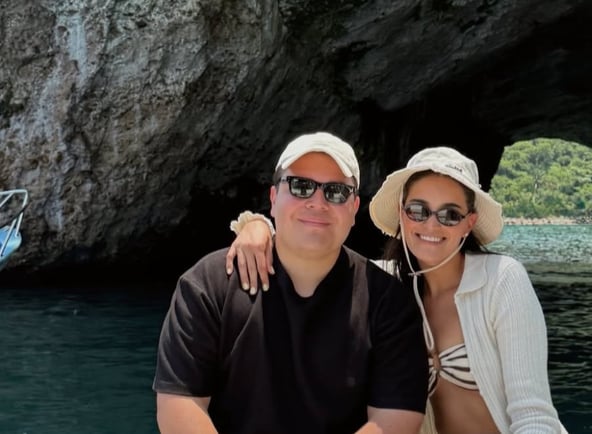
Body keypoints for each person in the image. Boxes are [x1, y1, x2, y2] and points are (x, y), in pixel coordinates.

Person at [226, 146, 567, 433]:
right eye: (418, 210)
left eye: (449, 214)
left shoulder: (501, 280)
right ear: (402, 215)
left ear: (469, 222)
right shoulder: (382, 284)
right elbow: (312, 252)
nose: (431, 224)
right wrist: (256, 227)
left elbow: (534, 416)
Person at [153, 132, 428, 434]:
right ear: (272, 199)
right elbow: (180, 405)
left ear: (353, 209)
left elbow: (395, 418)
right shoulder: (207, 285)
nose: (317, 202)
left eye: (336, 192)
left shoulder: (388, 302)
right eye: (300, 186)